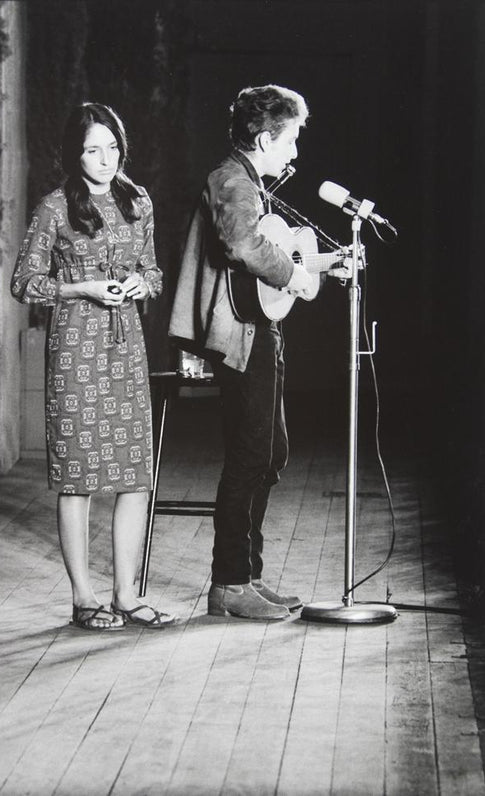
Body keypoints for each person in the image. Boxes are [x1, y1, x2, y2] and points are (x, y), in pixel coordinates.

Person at [169, 85, 346, 620]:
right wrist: (296, 274)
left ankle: (248, 575)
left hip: (258, 330)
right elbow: (243, 247)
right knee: (252, 454)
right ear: (265, 137)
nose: (294, 154)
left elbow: (261, 252)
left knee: (270, 453)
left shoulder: (246, 182)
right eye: (290, 141)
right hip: (239, 338)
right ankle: (229, 584)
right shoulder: (233, 180)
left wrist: (320, 267)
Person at [12, 102, 175, 630]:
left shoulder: (139, 201)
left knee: (135, 475)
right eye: (91, 149)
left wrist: (139, 284)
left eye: (112, 147)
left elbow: (153, 270)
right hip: (75, 347)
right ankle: (85, 598)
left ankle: (127, 594)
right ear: (73, 153)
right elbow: (24, 282)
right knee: (77, 476)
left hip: (127, 345)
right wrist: (80, 286)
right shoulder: (54, 208)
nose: (105, 158)